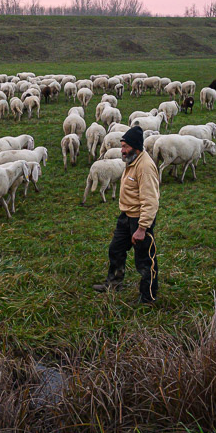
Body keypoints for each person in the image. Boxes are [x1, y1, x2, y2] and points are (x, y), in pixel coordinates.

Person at [92, 125, 160, 303]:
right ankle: (113, 283)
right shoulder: (132, 161)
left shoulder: (145, 167)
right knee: (116, 249)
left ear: (136, 147)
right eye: (122, 146)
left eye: (125, 147)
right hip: (126, 216)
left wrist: (142, 228)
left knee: (145, 259)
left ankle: (148, 297)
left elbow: (150, 200)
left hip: (139, 220)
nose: (121, 150)